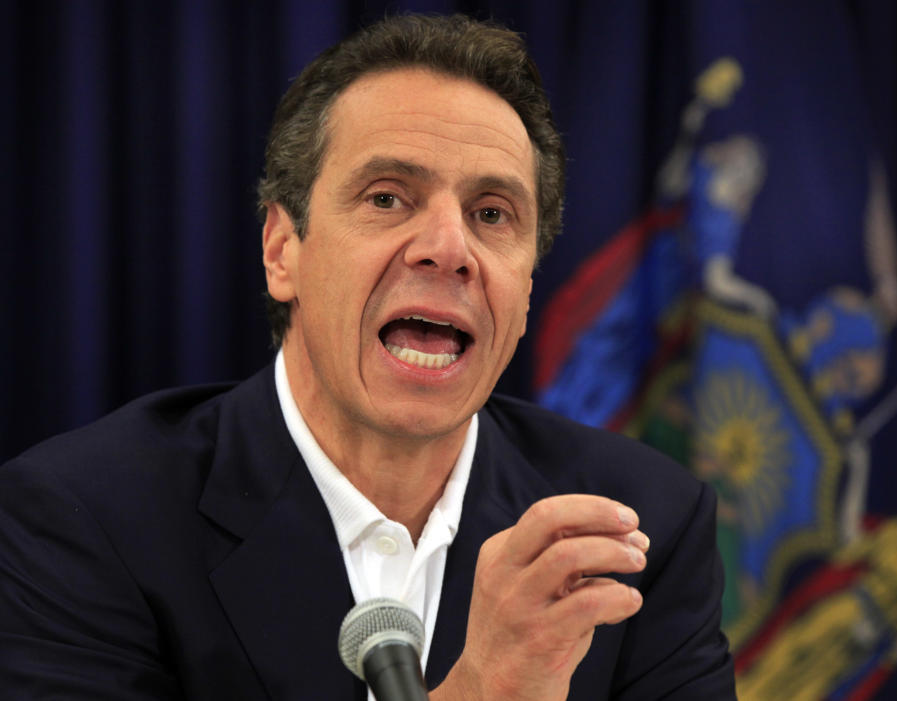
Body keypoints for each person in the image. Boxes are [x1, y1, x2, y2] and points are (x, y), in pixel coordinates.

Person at [0, 14, 735, 700]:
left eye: (491, 214)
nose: (449, 249)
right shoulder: (86, 517)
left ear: (527, 290)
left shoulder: (639, 529)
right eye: (388, 198)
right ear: (282, 251)